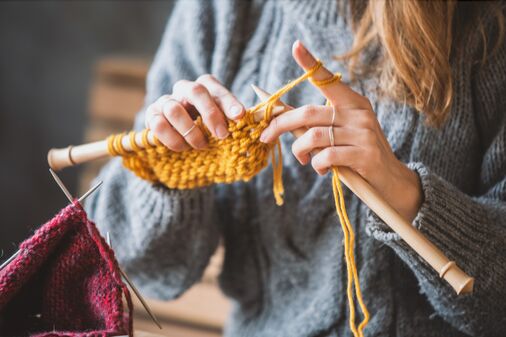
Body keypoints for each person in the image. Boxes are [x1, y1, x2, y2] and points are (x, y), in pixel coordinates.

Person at [86, 1, 506, 336]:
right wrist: (168, 170)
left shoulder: (487, 28)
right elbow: (134, 268)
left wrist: (405, 194)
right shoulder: (223, 10)